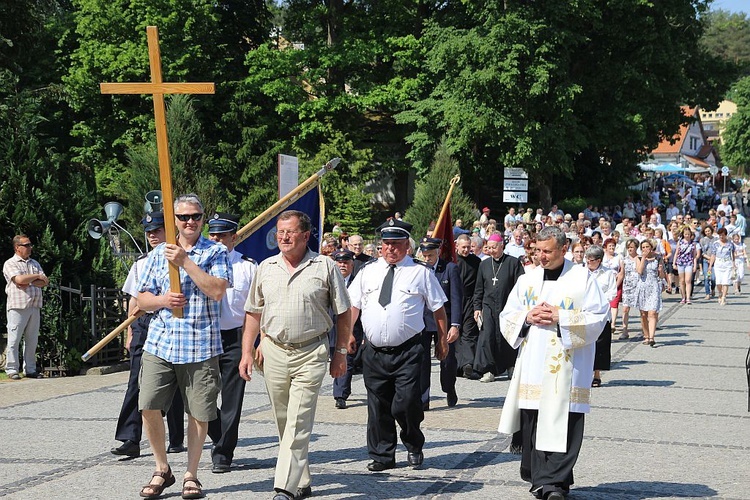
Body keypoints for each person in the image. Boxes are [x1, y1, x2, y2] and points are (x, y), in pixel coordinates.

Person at [238, 210, 351, 500]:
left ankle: (284, 488)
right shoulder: (266, 266)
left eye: (289, 232)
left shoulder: (324, 266)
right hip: (273, 351)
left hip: (311, 351)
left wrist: (340, 352)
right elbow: (253, 312)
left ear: (305, 235)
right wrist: (247, 351)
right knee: (283, 420)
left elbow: (343, 313)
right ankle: (301, 479)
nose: (284, 237)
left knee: (299, 419)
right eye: (280, 232)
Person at [498, 225, 609, 500]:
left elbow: (599, 317)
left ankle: (554, 482)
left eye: (547, 251)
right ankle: (543, 480)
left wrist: (563, 317)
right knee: (535, 421)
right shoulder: (528, 279)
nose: (542, 257)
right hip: (534, 364)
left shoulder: (582, 278)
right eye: (538, 251)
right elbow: (507, 314)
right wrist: (527, 317)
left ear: (563, 249)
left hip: (569, 366)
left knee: (566, 421)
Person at [136, 194, 232, 499]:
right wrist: (163, 300)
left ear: (202, 219)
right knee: (148, 405)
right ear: (173, 221)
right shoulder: (156, 254)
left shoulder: (215, 251)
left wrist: (185, 262)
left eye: (195, 216)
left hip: (200, 344)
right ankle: (162, 469)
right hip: (161, 342)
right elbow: (142, 299)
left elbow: (217, 291)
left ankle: (191, 474)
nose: (190, 222)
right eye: (183, 217)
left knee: (199, 412)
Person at [348, 218, 448, 472]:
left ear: (407, 246)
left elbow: (438, 308)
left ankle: (413, 443)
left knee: (405, 403)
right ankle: (383, 455)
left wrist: (443, 339)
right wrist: (347, 333)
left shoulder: (420, 272)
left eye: (396, 244)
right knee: (378, 405)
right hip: (374, 351)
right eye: (386, 244)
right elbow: (354, 306)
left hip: (408, 351)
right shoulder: (367, 271)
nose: (390, 249)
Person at [111, 212, 185, 460]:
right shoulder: (141, 262)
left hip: (171, 323)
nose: (153, 235)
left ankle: (177, 437)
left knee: (177, 383)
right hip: (145, 324)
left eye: (158, 231)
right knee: (137, 382)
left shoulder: (179, 258)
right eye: (149, 232)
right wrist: (131, 331)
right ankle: (130, 438)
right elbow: (134, 299)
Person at [206, 213, 257, 473]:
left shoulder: (247, 267)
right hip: (203, 336)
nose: (216, 239)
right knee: (198, 397)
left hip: (235, 337)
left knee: (232, 400)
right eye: (212, 234)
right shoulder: (198, 263)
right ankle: (218, 434)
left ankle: (223, 452)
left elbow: (258, 308)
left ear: (233, 237)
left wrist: (255, 344)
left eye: (222, 235)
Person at [472, 233, 524, 383]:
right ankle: (488, 370)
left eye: (494, 247)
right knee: (487, 336)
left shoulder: (513, 263)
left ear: (502, 246)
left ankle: (510, 366)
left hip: (507, 306)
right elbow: (479, 288)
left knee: (507, 336)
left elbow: (521, 286)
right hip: (488, 306)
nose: (491, 250)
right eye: (489, 247)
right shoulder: (484, 264)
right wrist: (477, 308)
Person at [417, 238, 462, 409]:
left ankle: (449, 388)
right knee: (422, 361)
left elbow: (457, 298)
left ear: (438, 252)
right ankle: (423, 398)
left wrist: (455, 325)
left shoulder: (450, 269)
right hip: (423, 321)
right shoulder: (419, 270)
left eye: (430, 255)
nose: (427, 259)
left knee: (447, 361)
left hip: (445, 320)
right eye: (425, 255)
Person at [3, 234, 48, 380]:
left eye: (30, 244)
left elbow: (44, 281)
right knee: (14, 339)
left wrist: (28, 280)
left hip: (34, 305)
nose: (30, 247)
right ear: (17, 248)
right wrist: (34, 277)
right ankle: (11, 369)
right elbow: (19, 279)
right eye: (26, 245)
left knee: (32, 340)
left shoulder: (34, 263)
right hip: (18, 306)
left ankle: (30, 369)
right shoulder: (10, 263)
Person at [327, 248, 364, 409]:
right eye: (339, 262)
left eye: (346, 262)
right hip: (330, 328)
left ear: (352, 264)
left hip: (351, 329)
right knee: (333, 357)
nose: (342, 265)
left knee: (346, 360)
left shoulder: (358, 282)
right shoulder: (328, 281)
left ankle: (340, 394)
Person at [585, 245, 617, 387]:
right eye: (587, 259)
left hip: (602, 314)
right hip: (585, 313)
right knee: (584, 344)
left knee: (600, 345)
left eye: (591, 260)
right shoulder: (581, 272)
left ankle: (596, 375)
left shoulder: (608, 273)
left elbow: (612, 293)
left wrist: (598, 299)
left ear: (599, 260)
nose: (588, 262)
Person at [454, 234, 482, 378]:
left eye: (468, 247)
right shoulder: (451, 261)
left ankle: (468, 364)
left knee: (469, 332)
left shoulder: (476, 262)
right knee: (455, 333)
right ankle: (457, 365)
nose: (465, 250)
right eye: (463, 247)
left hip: (470, 300)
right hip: (454, 300)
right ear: (457, 246)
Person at [636, 238, 665, 347]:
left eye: (647, 247)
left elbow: (661, 276)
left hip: (654, 287)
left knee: (652, 313)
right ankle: (646, 335)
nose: (645, 249)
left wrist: (661, 270)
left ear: (651, 247)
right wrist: (644, 258)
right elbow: (639, 271)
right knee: (643, 314)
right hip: (643, 287)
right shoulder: (639, 258)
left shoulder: (658, 257)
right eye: (643, 247)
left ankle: (652, 337)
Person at [708, 227, 736, 306]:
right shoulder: (715, 244)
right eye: (720, 235)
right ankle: (720, 292)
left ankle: (724, 297)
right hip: (718, 263)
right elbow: (713, 255)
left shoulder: (730, 244)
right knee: (719, 282)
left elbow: (733, 254)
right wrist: (710, 265)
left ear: (726, 235)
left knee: (725, 282)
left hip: (727, 263)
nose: (721, 237)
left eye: (723, 235)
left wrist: (734, 264)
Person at [672, 225, 698, 305]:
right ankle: (683, 297)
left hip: (689, 262)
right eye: (685, 234)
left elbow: (694, 256)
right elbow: (676, 253)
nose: (687, 235)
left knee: (688, 280)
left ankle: (688, 298)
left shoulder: (693, 243)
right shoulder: (680, 242)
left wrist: (695, 265)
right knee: (682, 281)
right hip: (680, 262)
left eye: (688, 234)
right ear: (683, 234)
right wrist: (674, 263)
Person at [620, 238, 640, 339]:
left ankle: (645, 330)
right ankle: (624, 330)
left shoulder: (640, 258)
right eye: (628, 247)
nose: (630, 249)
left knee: (643, 310)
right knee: (625, 309)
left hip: (638, 286)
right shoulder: (624, 260)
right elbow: (621, 274)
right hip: (627, 286)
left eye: (632, 247)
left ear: (636, 247)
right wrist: (615, 286)